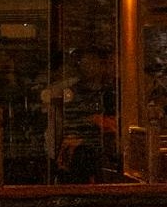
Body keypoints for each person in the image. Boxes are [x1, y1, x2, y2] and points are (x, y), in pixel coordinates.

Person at [44, 46, 118, 182]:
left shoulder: (113, 93)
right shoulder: (69, 93)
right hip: (77, 158)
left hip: (107, 157)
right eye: (82, 62)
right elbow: (61, 125)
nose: (85, 66)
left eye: (91, 62)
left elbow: (117, 126)